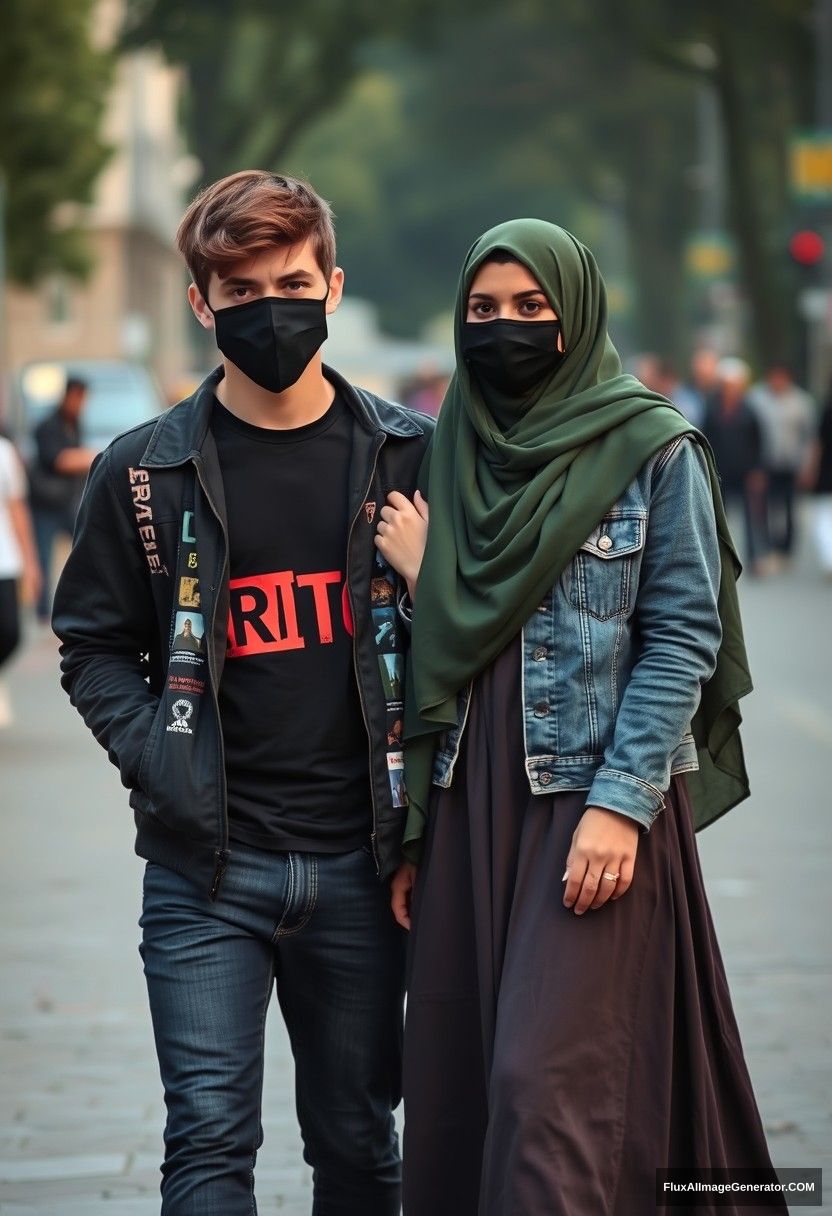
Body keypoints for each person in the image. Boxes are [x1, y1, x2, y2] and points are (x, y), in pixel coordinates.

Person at [374, 219, 785, 1215]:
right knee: (463, 1098)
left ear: (576, 314)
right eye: (482, 310)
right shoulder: (446, 456)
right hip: (471, 808)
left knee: (539, 1090)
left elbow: (683, 636)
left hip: (586, 804)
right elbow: (431, 665)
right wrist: (415, 833)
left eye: (529, 308)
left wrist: (619, 804)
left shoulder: (651, 446)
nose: (502, 329)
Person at [52, 170, 434, 1215]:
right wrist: (160, 756)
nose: (271, 307)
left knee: (359, 1142)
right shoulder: (143, 471)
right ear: (200, 302)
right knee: (208, 1142)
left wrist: (433, 578)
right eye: (242, 288)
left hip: (367, 864)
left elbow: (479, 650)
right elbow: (90, 645)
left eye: (293, 281)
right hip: (205, 868)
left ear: (334, 287)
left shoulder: (409, 457)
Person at [28, 377, 95, 622]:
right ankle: (42, 613)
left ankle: (85, 601)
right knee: (43, 557)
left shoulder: (75, 423)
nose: (80, 404)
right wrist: (89, 457)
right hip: (45, 504)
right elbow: (58, 460)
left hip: (67, 502)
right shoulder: (47, 425)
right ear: (68, 395)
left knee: (85, 546)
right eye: (78, 397)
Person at [702, 358, 769, 572]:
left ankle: (755, 558)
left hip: (746, 472)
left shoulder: (750, 410)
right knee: (718, 517)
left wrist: (758, 470)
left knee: (752, 518)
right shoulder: (712, 409)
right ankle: (718, 558)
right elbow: (705, 439)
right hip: (719, 470)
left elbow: (759, 442)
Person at [748, 364, 816, 565]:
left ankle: (787, 550)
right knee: (764, 508)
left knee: (790, 508)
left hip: (792, 465)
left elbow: (809, 437)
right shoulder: (757, 399)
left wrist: (807, 466)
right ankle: (768, 548)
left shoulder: (801, 402)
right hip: (766, 464)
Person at [0, 434, 41, 727]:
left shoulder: (4, 452)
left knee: (10, 632)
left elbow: (17, 508)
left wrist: (30, 562)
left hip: (5, 560)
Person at [805, 375, 832, 577]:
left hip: (826, 470)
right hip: (825, 471)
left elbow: (818, 444)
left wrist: (811, 468)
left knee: (823, 516)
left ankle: (828, 561)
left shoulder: (827, 410)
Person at [672, 347, 720, 428]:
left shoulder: (723, 396)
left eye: (708, 364)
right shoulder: (682, 395)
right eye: (700, 364)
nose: (704, 370)